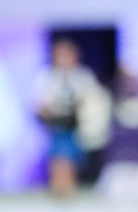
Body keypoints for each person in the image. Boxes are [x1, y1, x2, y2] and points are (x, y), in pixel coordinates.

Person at [33, 38, 104, 198]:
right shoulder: (47, 75)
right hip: (55, 123)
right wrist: (48, 113)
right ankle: (58, 187)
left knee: (72, 156)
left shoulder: (83, 76)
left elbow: (92, 100)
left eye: (67, 55)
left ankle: (69, 187)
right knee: (58, 154)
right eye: (60, 55)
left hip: (77, 124)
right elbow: (39, 101)